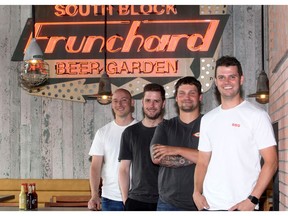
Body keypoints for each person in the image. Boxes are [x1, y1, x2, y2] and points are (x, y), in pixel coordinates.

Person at [193, 56, 278, 211]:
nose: (227, 82)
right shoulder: (208, 119)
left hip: (242, 205)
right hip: (209, 205)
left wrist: (252, 199)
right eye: (221, 77)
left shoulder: (257, 116)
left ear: (241, 79)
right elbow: (202, 162)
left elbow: (271, 162)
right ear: (216, 81)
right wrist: (196, 192)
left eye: (232, 77)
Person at [150, 76, 203, 211]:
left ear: (200, 97)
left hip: (202, 202)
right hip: (168, 203)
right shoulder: (165, 126)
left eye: (192, 93)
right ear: (176, 99)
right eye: (182, 93)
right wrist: (198, 156)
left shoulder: (209, 124)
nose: (187, 97)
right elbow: (156, 158)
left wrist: (176, 149)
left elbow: (216, 158)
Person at [118, 83, 166, 211]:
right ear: (142, 103)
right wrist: (125, 200)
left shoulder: (171, 129)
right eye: (148, 100)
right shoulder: (130, 132)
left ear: (163, 103)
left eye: (156, 101)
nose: (152, 105)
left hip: (167, 200)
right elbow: (124, 169)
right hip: (136, 200)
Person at [88, 88, 137, 211]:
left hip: (138, 197)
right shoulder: (103, 132)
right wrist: (94, 194)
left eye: (124, 100)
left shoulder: (141, 130)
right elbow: (95, 167)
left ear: (132, 103)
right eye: (115, 101)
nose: (119, 104)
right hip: (110, 198)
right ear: (111, 104)